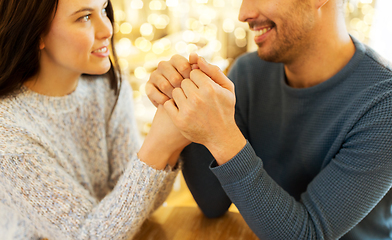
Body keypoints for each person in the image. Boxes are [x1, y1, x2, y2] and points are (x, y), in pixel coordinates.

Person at [146, 0, 392, 239]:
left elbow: (309, 235)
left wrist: (222, 136)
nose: (243, 13)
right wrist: (185, 102)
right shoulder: (249, 73)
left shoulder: (384, 104)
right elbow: (212, 203)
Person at [0, 0, 190, 239]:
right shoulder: (6, 134)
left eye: (103, 10)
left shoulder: (106, 88)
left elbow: (142, 206)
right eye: (84, 17)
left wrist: (170, 138)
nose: (107, 29)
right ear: (36, 32)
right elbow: (88, 236)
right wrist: (159, 144)